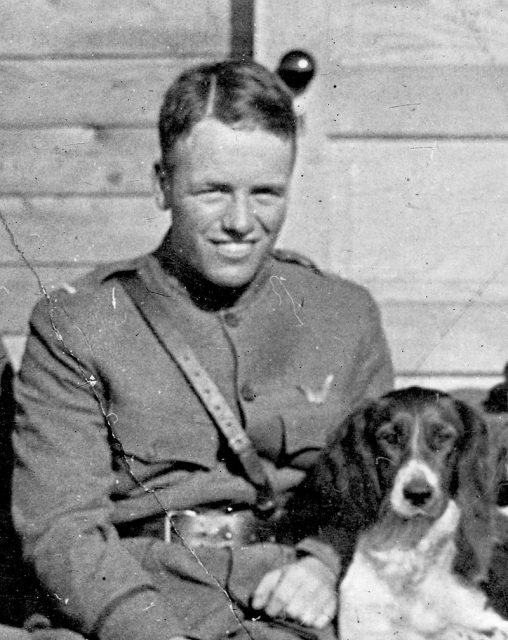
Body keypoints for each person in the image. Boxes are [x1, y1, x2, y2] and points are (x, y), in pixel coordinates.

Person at [12, 60, 393, 640]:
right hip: (133, 612)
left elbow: (375, 482)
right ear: (162, 185)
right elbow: (62, 527)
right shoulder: (77, 324)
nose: (241, 223)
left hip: (296, 611)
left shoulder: (344, 314)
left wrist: (325, 561)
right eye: (213, 192)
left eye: (265, 193)